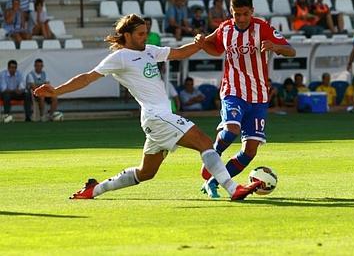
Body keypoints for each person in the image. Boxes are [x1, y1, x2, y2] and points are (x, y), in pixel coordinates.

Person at [33, 14, 262, 200]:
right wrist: (57, 91)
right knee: (203, 141)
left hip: (157, 120)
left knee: (146, 173)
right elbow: (87, 78)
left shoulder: (150, 50)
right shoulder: (120, 58)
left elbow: (180, 53)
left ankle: (95, 189)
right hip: (156, 117)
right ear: (127, 35)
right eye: (141, 34)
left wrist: (199, 44)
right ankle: (233, 189)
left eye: (146, 32)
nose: (145, 36)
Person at [194, 0, 296, 198]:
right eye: (236, 14)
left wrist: (275, 47)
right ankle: (212, 157)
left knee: (250, 150)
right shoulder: (225, 28)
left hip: (258, 95)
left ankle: (213, 182)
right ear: (231, 13)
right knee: (231, 129)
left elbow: (291, 51)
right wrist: (201, 41)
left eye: (245, 14)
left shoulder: (263, 27)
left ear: (252, 12)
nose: (240, 18)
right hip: (233, 89)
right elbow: (215, 48)